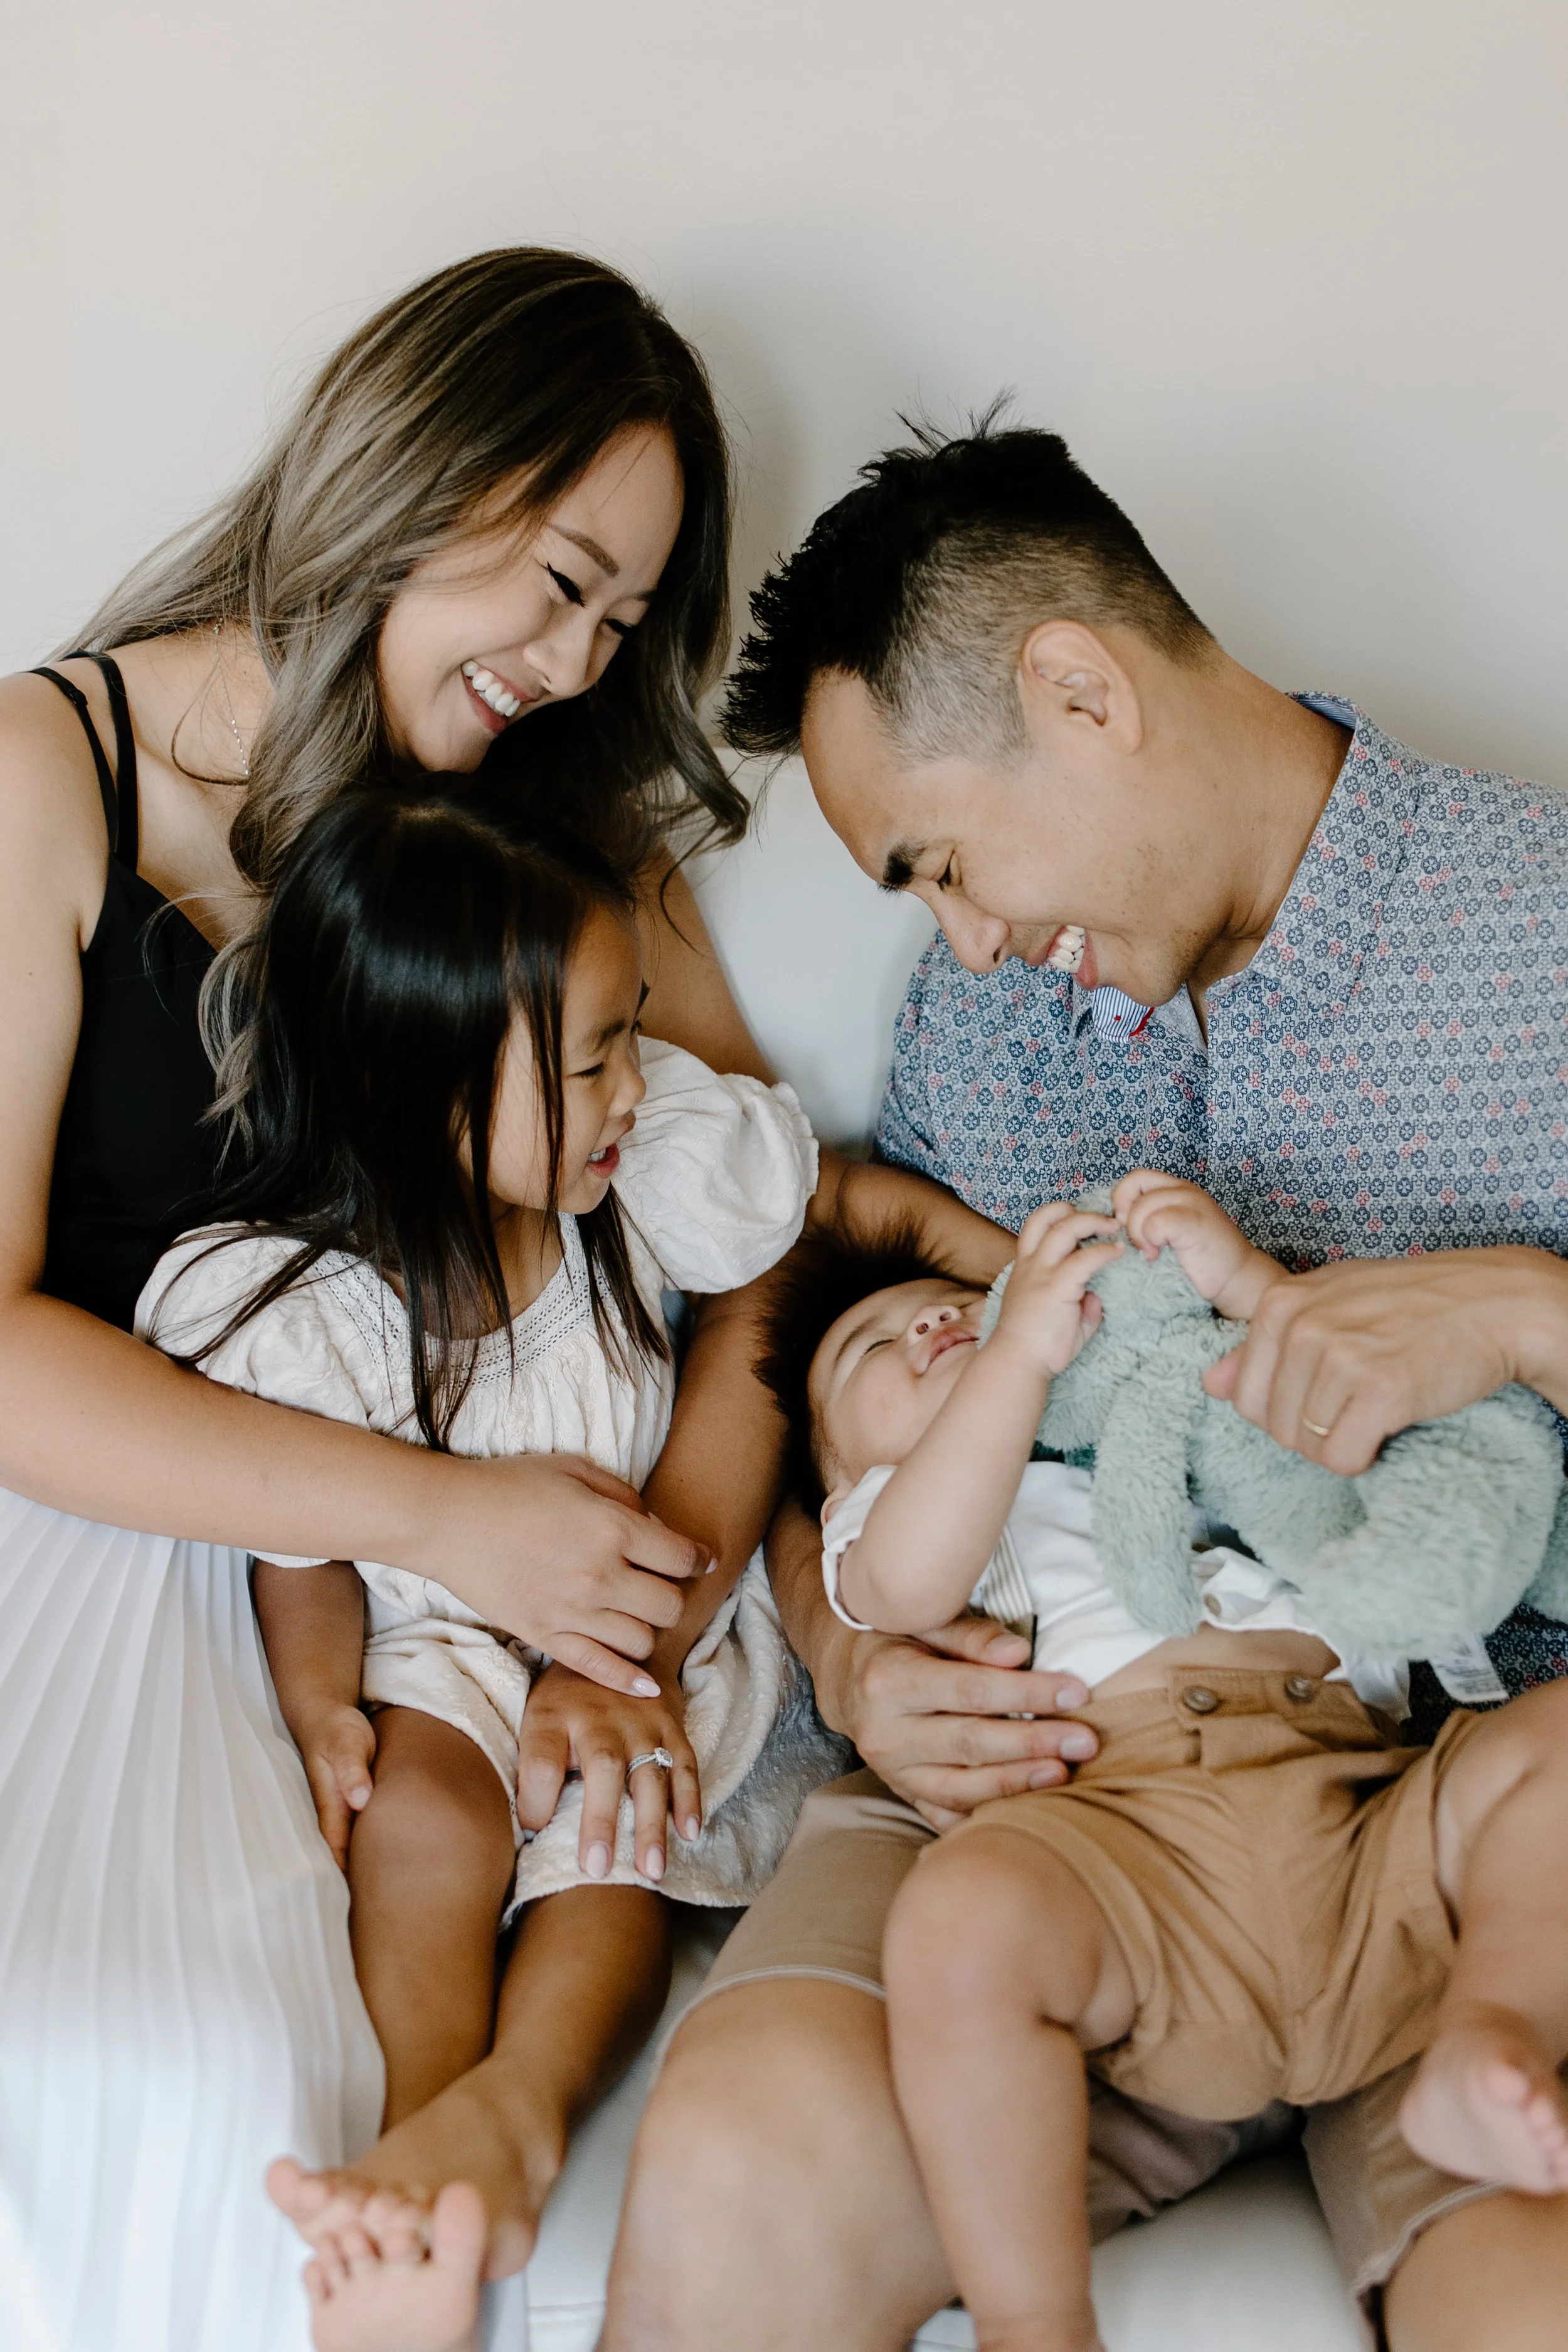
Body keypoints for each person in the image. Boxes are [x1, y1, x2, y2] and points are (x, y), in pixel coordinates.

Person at [0, 251, 1004, 2352]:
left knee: (322, 2027)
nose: (569, 663)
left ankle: (464, 2173)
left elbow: (750, 1269)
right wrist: (449, 1530)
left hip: (517, 1578)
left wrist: (645, 1599)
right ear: (406, 472)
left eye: (621, 621)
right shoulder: (48, 774)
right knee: (158, 2065)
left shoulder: (565, 858)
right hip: (145, 1542)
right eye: (555, 581)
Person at [602, 420, 1568, 2352]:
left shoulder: (1539, 923)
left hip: (1452, 1809)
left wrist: (1525, 1308)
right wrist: (844, 1640)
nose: (959, 937)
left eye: (948, 858)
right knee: (738, 2162)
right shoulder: (984, 1012)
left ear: (1078, 689)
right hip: (1035, 1816)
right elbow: (845, 1393)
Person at [135, 776, 853, 2350]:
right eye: (590, 1056)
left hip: (640, 1624)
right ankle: (417, 2118)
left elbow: (772, 1300)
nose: (631, 1088)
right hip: (443, 1641)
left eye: (629, 1032)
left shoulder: (641, 1189)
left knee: (610, 1829)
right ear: (429, 1086)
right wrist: (323, 1700)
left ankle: (509, 2127)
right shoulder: (305, 1307)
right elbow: (304, 1539)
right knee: (424, 1805)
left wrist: (622, 1667)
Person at [759, 1176, 1568, 2352]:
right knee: (962, 1917)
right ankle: (1035, 2322)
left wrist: (1239, 1287)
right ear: (839, 1476)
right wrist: (1010, 1361)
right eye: (869, 1353)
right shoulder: (893, 1514)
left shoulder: (1151, 1423)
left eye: (947, 1306)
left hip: (1367, 1818)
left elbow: (1337, 1424)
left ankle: (1485, 2030)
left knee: (1550, 1742)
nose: (925, 1327)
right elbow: (910, 1580)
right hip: (1130, 1850)